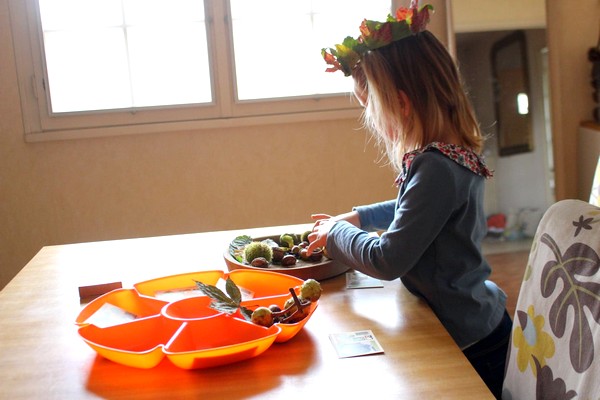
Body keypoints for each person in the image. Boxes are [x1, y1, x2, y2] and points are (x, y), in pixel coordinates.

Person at [308, 2, 511, 398]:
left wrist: (335, 233)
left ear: (402, 103)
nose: (375, 123)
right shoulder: (451, 153)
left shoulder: (435, 167)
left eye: (375, 110)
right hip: (478, 322)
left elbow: (388, 259)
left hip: (469, 341)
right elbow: (417, 209)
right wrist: (360, 217)